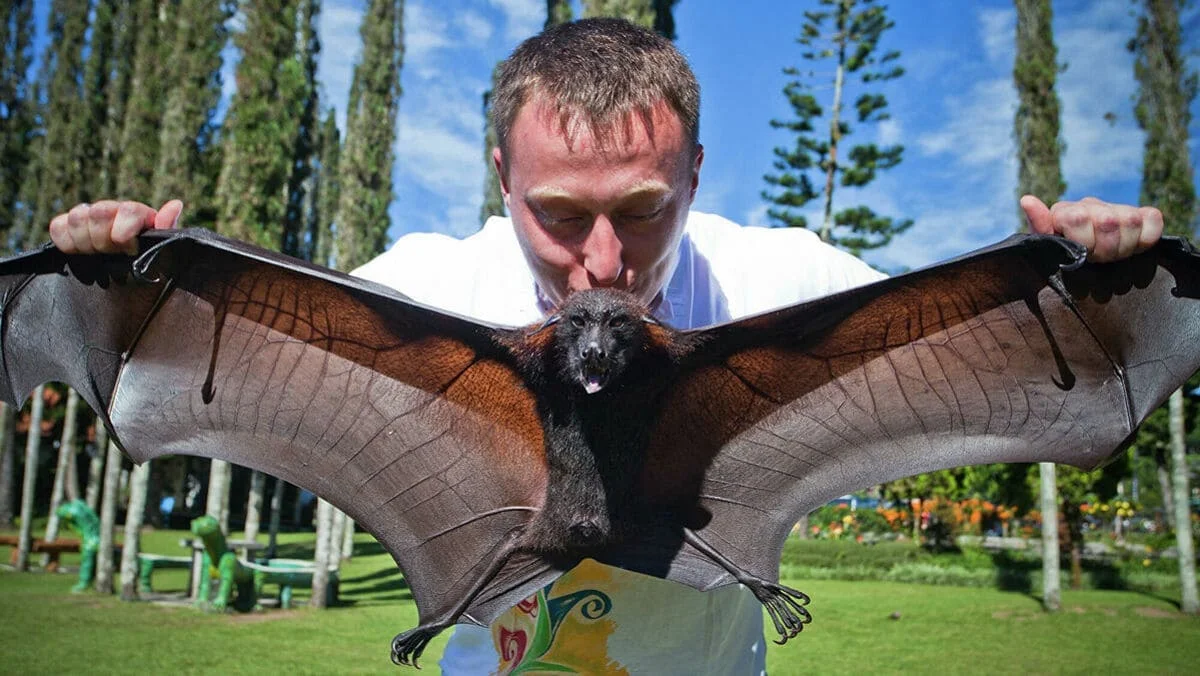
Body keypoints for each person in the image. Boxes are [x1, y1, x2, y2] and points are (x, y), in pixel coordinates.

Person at [49, 17, 1163, 675]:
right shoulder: (432, 286)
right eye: (557, 214)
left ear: (695, 177)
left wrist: (1085, 286)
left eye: (639, 210)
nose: (599, 261)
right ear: (502, 183)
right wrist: (134, 276)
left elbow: (961, 331)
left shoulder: (779, 278)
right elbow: (269, 318)